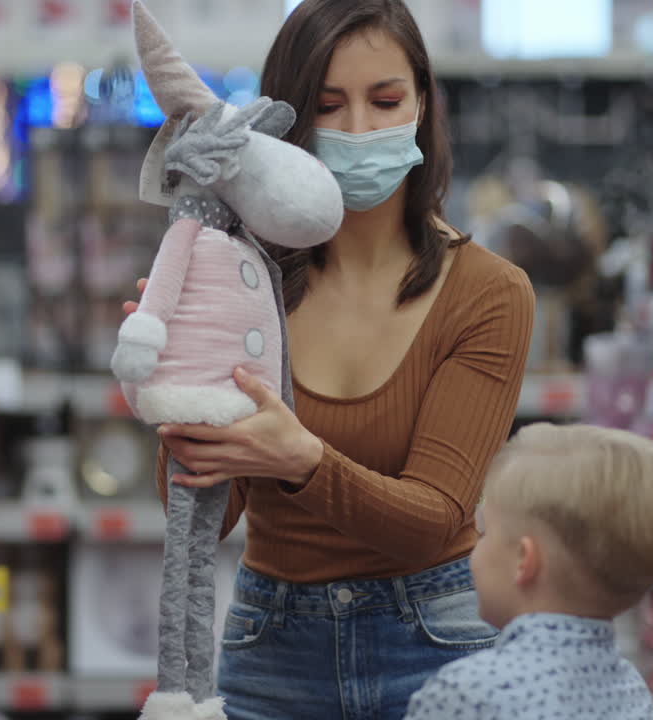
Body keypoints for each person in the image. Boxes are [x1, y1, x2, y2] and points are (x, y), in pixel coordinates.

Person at [122, 1, 534, 717]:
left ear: (424, 102)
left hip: (435, 648)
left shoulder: (488, 294)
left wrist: (303, 461)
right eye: (328, 105)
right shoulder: (246, 276)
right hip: (271, 644)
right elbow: (205, 514)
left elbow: (436, 518)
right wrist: (184, 385)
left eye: (385, 100)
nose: (358, 131)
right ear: (287, 121)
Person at [403, 424, 653, 720]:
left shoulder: (466, 692)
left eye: (484, 533)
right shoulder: (631, 686)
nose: (475, 550)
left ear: (523, 559)